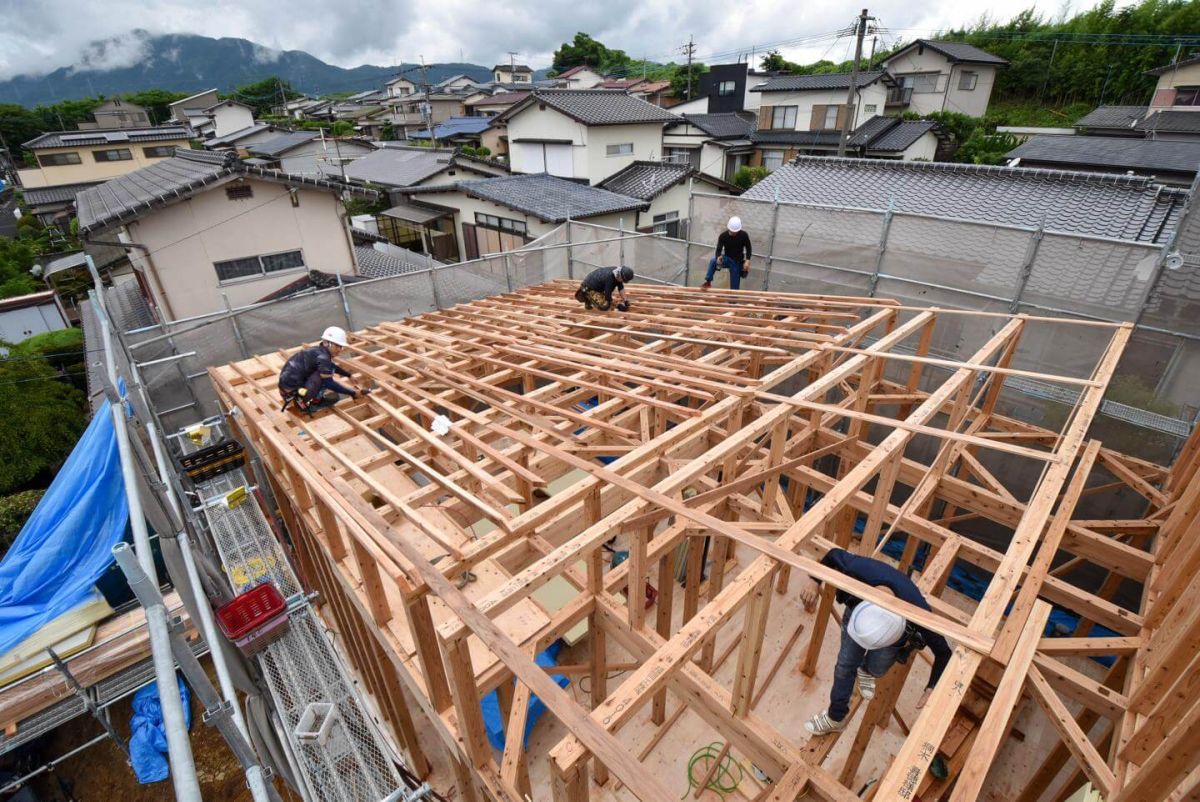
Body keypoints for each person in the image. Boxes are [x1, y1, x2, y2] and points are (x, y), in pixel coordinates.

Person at [804, 548, 953, 736]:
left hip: (892, 635)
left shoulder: (918, 610)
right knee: (844, 665)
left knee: (878, 668)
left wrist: (932, 686)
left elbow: (944, 653)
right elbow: (832, 554)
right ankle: (836, 718)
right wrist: (814, 580)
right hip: (860, 618)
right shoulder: (858, 568)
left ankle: (866, 672)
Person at [278, 326, 369, 414]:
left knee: (325, 371)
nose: (340, 350)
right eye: (337, 346)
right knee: (323, 377)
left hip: (287, 390)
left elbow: (330, 365)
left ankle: (305, 399)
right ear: (326, 343)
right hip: (295, 394)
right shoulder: (323, 357)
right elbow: (329, 383)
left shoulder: (316, 351)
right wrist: (353, 393)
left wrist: (348, 375)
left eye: (341, 346)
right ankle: (312, 404)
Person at [702, 216, 752, 290]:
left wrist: (747, 260)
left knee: (734, 288)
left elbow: (749, 248)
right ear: (729, 228)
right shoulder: (723, 236)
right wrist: (718, 257)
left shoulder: (743, 235)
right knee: (713, 260)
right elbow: (718, 249)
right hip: (727, 259)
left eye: (736, 232)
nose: (734, 233)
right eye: (732, 231)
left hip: (737, 262)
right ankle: (708, 282)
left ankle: (733, 300)